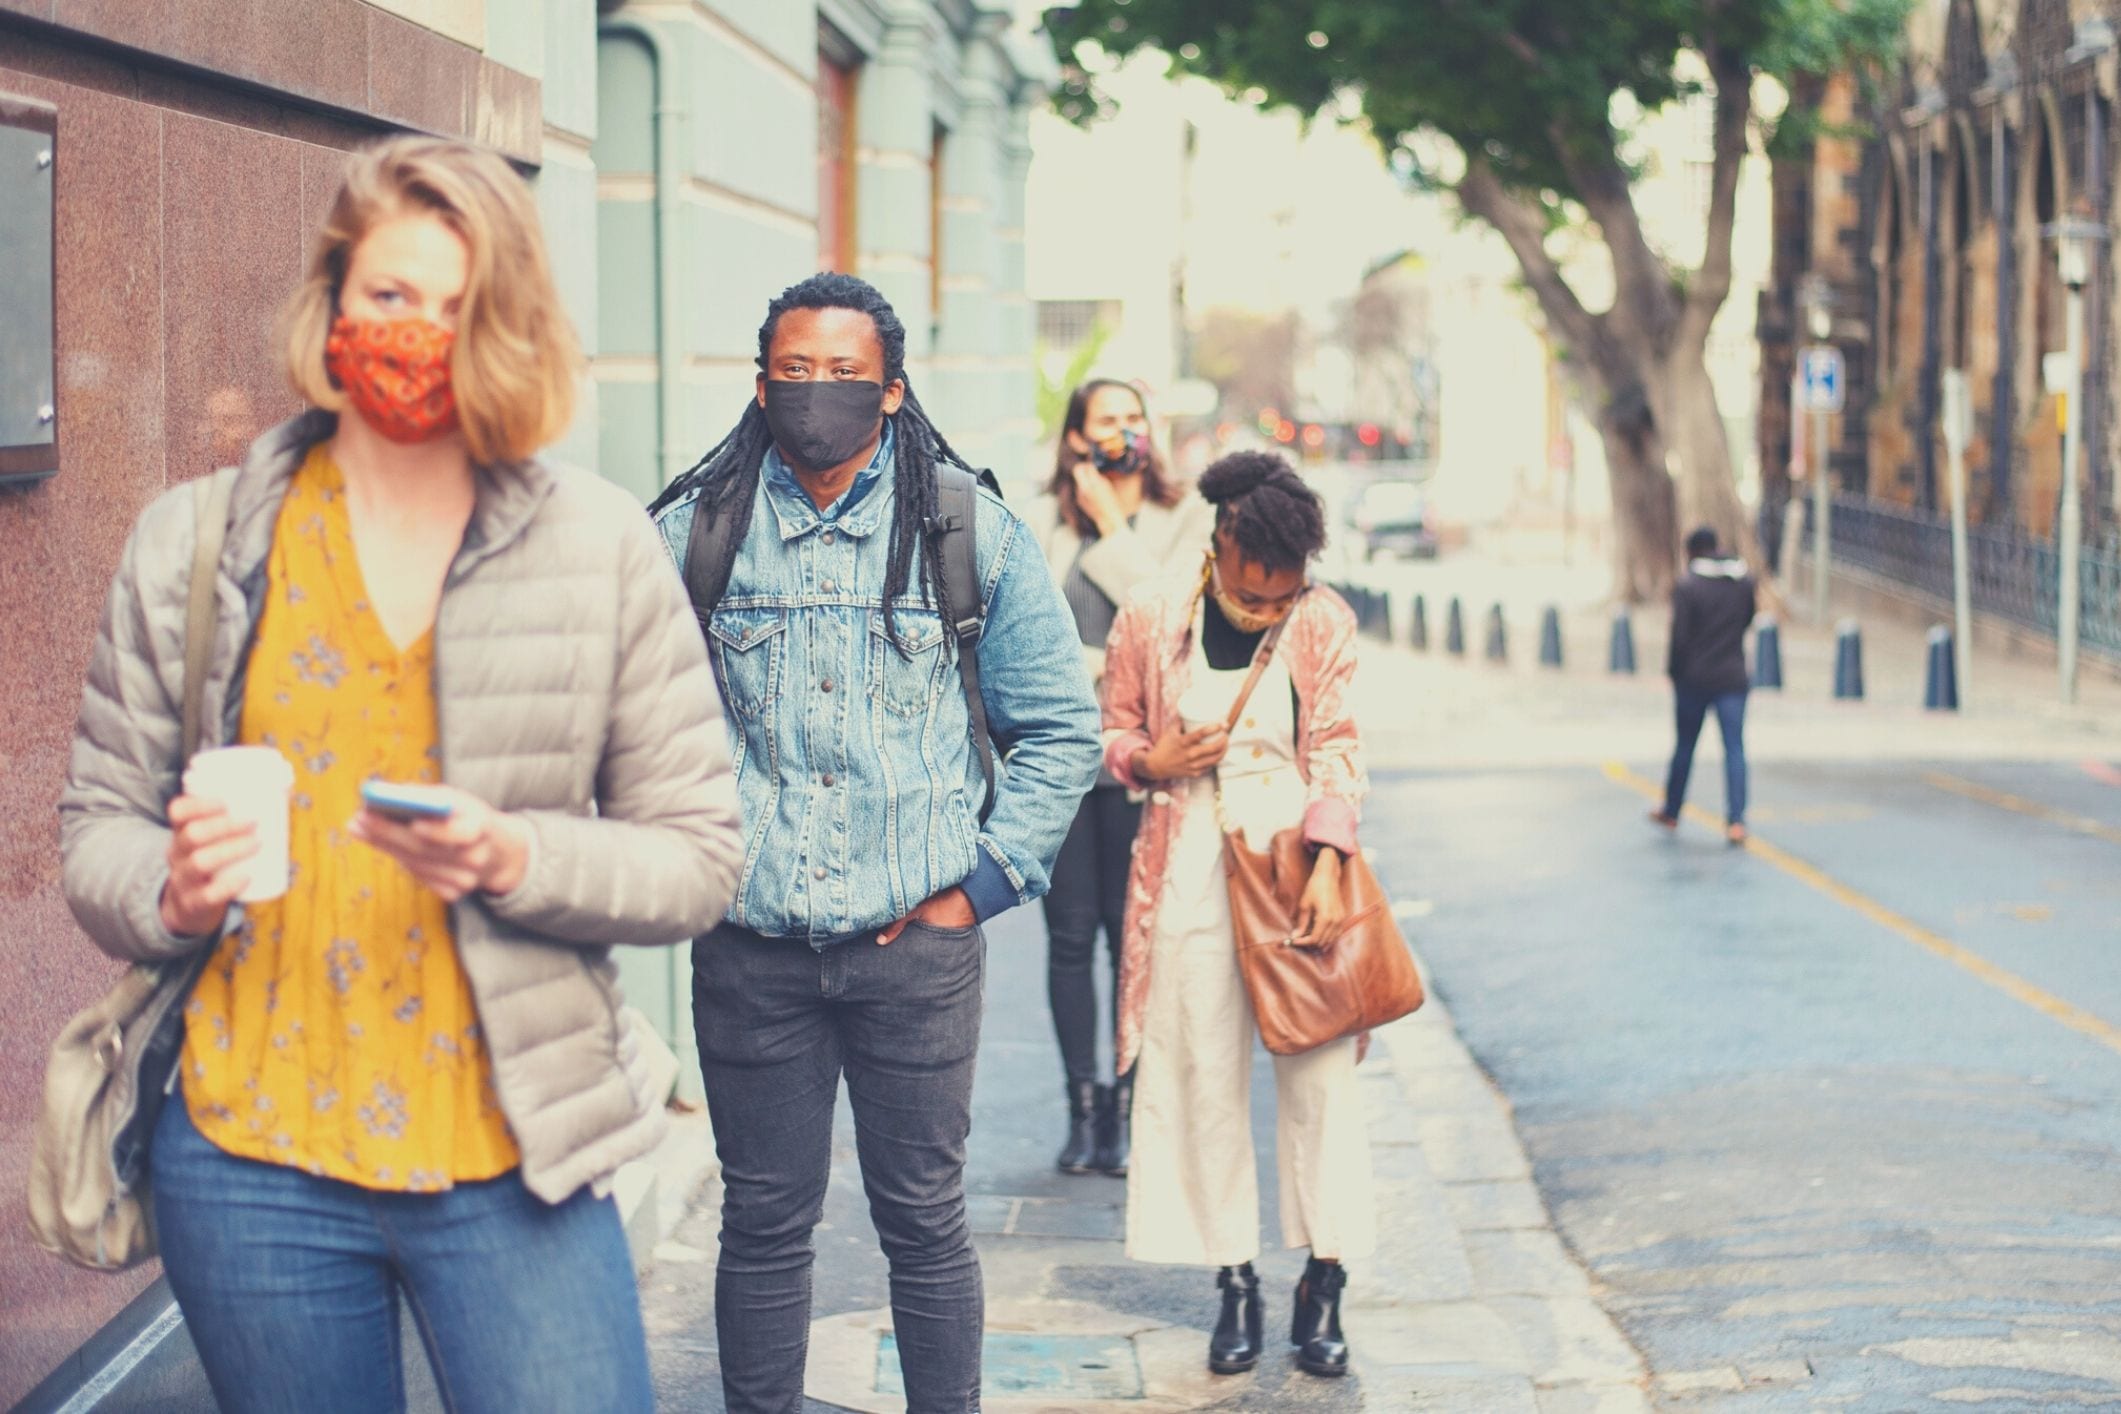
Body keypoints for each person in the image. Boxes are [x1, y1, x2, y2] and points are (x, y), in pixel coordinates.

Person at [57, 136, 743, 1414]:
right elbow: (96, 825)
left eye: (458, 306)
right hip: (250, 1158)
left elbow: (700, 854)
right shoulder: (193, 545)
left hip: (511, 1153)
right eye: (389, 296)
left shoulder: (597, 548)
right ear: (331, 301)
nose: (419, 334)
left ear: (510, 328)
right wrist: (174, 890)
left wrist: (517, 857)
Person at [648, 272, 1102, 1414]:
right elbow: (629, 726)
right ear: (761, 385)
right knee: (762, 1222)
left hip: (918, 949)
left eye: (844, 375)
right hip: (751, 951)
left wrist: (984, 885)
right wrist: (688, 864)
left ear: (891, 391)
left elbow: (1060, 728)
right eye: (795, 372)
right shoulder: (694, 533)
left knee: (925, 1221)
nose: (817, 395)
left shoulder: (965, 529)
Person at [1100, 451, 1376, 1380]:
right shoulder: (1150, 612)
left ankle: (1325, 1279)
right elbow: (1109, 732)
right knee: (1199, 1070)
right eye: (1253, 596)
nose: (1268, 610)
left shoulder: (1323, 619)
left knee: (1322, 1071)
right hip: (1183, 863)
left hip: (1299, 864)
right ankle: (1234, 1280)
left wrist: (1332, 860)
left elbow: (1336, 743)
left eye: (1283, 595)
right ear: (1219, 545)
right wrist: (1151, 761)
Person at [1030, 378, 1212, 1177]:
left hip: (1148, 760)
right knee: (1070, 938)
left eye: (1133, 419)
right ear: (1075, 438)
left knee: (1134, 941)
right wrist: (1100, 667)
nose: (1122, 433)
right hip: (1066, 757)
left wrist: (1109, 520)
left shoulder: (1186, 514)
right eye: (1105, 421)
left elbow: (1170, 614)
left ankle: (1131, 1107)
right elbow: (1025, 633)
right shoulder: (1042, 522)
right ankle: (1084, 1110)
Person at [1652, 526, 1757, 846]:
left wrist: (1673, 673)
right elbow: (1748, 620)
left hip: (1694, 679)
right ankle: (1736, 821)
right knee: (1734, 749)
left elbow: (1679, 638)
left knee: (1685, 746)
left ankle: (1671, 810)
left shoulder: (1687, 586)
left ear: (1691, 553)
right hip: (1732, 677)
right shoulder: (1743, 583)